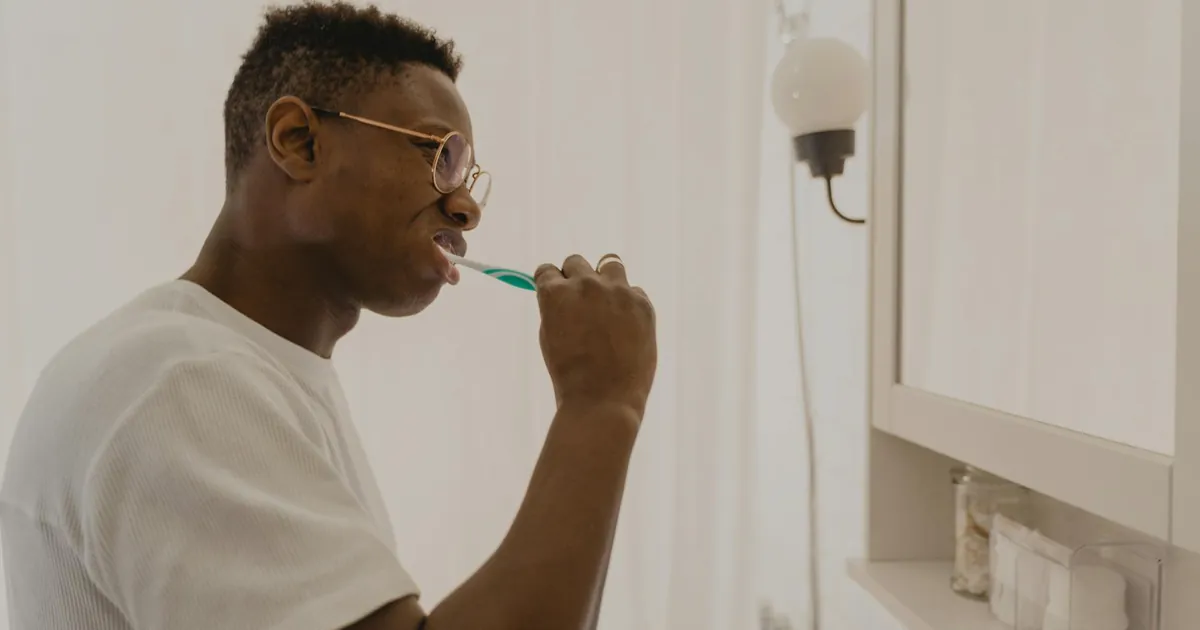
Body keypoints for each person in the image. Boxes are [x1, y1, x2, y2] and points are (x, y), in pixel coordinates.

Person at [0, 3, 657, 630]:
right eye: (440, 156)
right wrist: (600, 403)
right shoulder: (175, 381)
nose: (466, 208)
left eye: (469, 177)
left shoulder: (245, 373)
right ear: (299, 142)